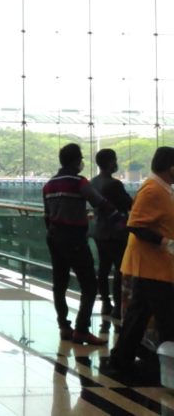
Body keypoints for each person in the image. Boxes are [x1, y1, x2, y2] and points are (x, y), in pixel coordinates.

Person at [42, 143, 118, 345]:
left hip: (54, 238)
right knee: (89, 285)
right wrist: (119, 217)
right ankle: (82, 329)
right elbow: (100, 202)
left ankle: (64, 327)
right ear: (76, 161)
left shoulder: (49, 184)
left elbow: (47, 217)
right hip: (74, 238)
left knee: (59, 283)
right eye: (81, 158)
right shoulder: (78, 182)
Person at [109, 147, 174, 377]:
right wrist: (165, 242)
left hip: (156, 266)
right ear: (171, 168)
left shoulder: (162, 188)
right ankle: (167, 366)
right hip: (152, 266)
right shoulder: (152, 189)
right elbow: (135, 224)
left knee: (139, 314)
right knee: (166, 317)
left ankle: (121, 358)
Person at [90, 148, 134, 319]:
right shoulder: (114, 184)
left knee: (103, 267)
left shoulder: (93, 182)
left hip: (99, 230)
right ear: (110, 163)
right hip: (116, 232)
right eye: (115, 160)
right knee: (119, 269)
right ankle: (117, 306)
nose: (116, 163)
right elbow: (129, 203)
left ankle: (105, 304)